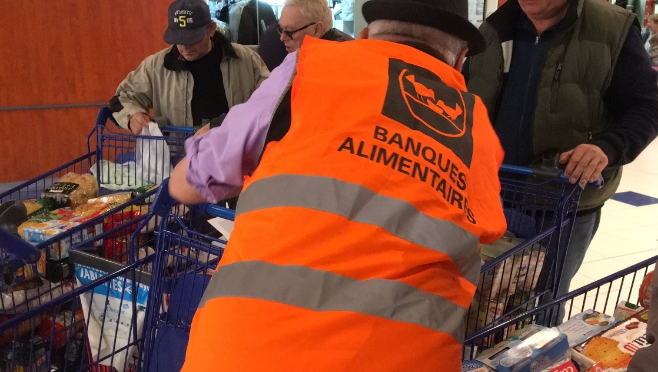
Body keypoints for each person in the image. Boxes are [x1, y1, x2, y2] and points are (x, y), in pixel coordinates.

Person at [169, 0, 508, 369]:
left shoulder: (309, 69)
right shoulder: (479, 134)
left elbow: (188, 184)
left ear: (365, 35)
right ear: (459, 61)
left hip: (239, 355)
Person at [465, 0, 658, 307]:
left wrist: (606, 147)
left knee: (539, 311)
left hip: (562, 202)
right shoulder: (492, 30)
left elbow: (646, 106)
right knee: (478, 308)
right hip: (490, 197)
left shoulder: (611, 28)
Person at [110, 0, 269, 135]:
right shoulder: (155, 66)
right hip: (178, 158)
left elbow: (272, 100)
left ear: (211, 29)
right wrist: (133, 115)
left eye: (192, 39)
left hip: (236, 154)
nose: (185, 46)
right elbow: (122, 97)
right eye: (179, 39)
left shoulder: (247, 60)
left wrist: (223, 123)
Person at [258, 0, 353, 70]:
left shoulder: (338, 66)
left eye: (290, 31)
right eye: (281, 29)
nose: (282, 38)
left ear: (317, 29)